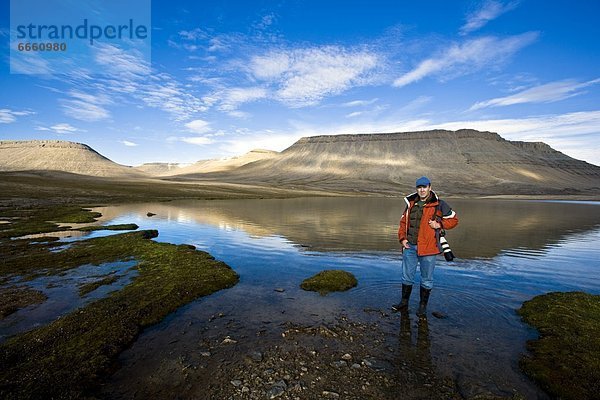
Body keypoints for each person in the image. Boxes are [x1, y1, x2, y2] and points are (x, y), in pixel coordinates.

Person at [393, 176, 458, 316]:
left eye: (424, 187)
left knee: (427, 279)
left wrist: (440, 224)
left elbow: (454, 220)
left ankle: (422, 307)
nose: (422, 190)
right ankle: (404, 303)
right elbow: (403, 223)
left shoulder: (439, 204)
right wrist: (402, 239)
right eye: (419, 187)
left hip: (429, 249)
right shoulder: (410, 203)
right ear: (416, 188)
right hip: (409, 247)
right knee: (406, 277)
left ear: (430, 187)